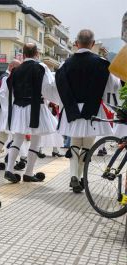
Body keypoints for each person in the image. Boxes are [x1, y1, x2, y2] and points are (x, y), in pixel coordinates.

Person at [56, 29, 121, 193]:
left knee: (75, 143)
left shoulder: (65, 64)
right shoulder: (102, 63)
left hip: (72, 108)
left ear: (76, 43)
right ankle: (82, 177)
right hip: (93, 108)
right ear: (92, 44)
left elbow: (56, 87)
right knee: (88, 145)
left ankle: (74, 176)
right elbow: (113, 87)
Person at [2, 43, 59, 183]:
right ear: (37, 53)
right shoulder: (41, 67)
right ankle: (28, 173)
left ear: (23, 54)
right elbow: (47, 88)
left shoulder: (16, 69)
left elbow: (9, 92)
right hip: (36, 107)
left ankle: (9, 169)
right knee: (35, 140)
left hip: (19, 108)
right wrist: (56, 100)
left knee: (18, 139)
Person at [0, 59, 21, 170]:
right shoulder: (6, 77)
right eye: (17, 67)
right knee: (15, 137)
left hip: (5, 112)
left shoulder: (6, 76)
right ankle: (9, 161)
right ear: (11, 66)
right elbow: (3, 96)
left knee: (5, 137)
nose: (18, 70)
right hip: (5, 113)